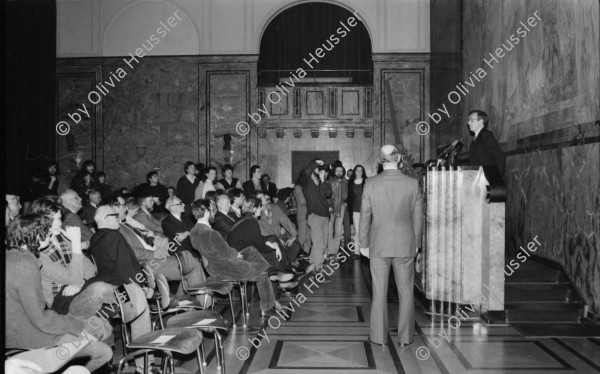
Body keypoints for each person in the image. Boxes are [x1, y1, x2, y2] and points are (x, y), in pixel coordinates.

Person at [5, 215, 113, 372]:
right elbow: (39, 318)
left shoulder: (12, 257)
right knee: (103, 351)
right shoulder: (26, 265)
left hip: (18, 332)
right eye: (47, 233)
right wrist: (71, 325)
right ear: (36, 235)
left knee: (99, 327)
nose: (50, 235)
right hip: (27, 337)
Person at [359, 145, 423, 347]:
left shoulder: (370, 184)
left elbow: (365, 217)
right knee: (406, 292)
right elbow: (418, 218)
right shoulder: (413, 184)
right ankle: (405, 338)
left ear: (380, 160)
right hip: (406, 243)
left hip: (378, 244)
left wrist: (363, 243)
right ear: (399, 159)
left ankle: (379, 337)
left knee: (379, 293)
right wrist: (417, 244)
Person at [189, 199, 293, 318]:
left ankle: (270, 271)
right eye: (213, 210)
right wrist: (235, 254)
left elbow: (213, 250)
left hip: (213, 267)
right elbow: (227, 253)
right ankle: (267, 308)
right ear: (207, 212)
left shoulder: (193, 232)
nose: (214, 213)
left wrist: (233, 254)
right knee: (262, 274)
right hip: (226, 268)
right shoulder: (211, 233)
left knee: (250, 250)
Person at [300, 159, 332, 274]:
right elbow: (305, 172)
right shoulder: (307, 183)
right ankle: (319, 270)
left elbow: (328, 193)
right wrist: (315, 162)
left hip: (325, 217)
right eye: (319, 169)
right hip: (314, 217)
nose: (321, 171)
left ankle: (312, 266)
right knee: (320, 245)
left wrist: (323, 180)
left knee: (319, 245)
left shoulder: (322, 182)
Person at [467, 110, 506, 176]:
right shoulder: (473, 142)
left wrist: (496, 179)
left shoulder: (485, 135)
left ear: (481, 121)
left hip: (489, 179)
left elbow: (500, 156)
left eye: (471, 120)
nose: (468, 123)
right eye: (468, 120)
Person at [327, 165, 348, 258]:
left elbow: (344, 197)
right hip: (331, 206)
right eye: (337, 170)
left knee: (338, 230)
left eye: (341, 171)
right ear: (334, 172)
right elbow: (327, 195)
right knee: (329, 229)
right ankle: (330, 250)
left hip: (341, 206)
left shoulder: (345, 183)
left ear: (343, 173)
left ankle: (334, 251)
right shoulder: (330, 181)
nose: (339, 172)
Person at [347, 165, 367, 256]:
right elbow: (349, 198)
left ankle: (366, 251)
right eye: (357, 170)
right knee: (357, 231)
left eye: (361, 170)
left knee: (366, 231)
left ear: (363, 172)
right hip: (355, 210)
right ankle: (356, 251)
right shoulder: (350, 182)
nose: (359, 172)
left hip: (366, 210)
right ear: (354, 171)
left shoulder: (367, 181)